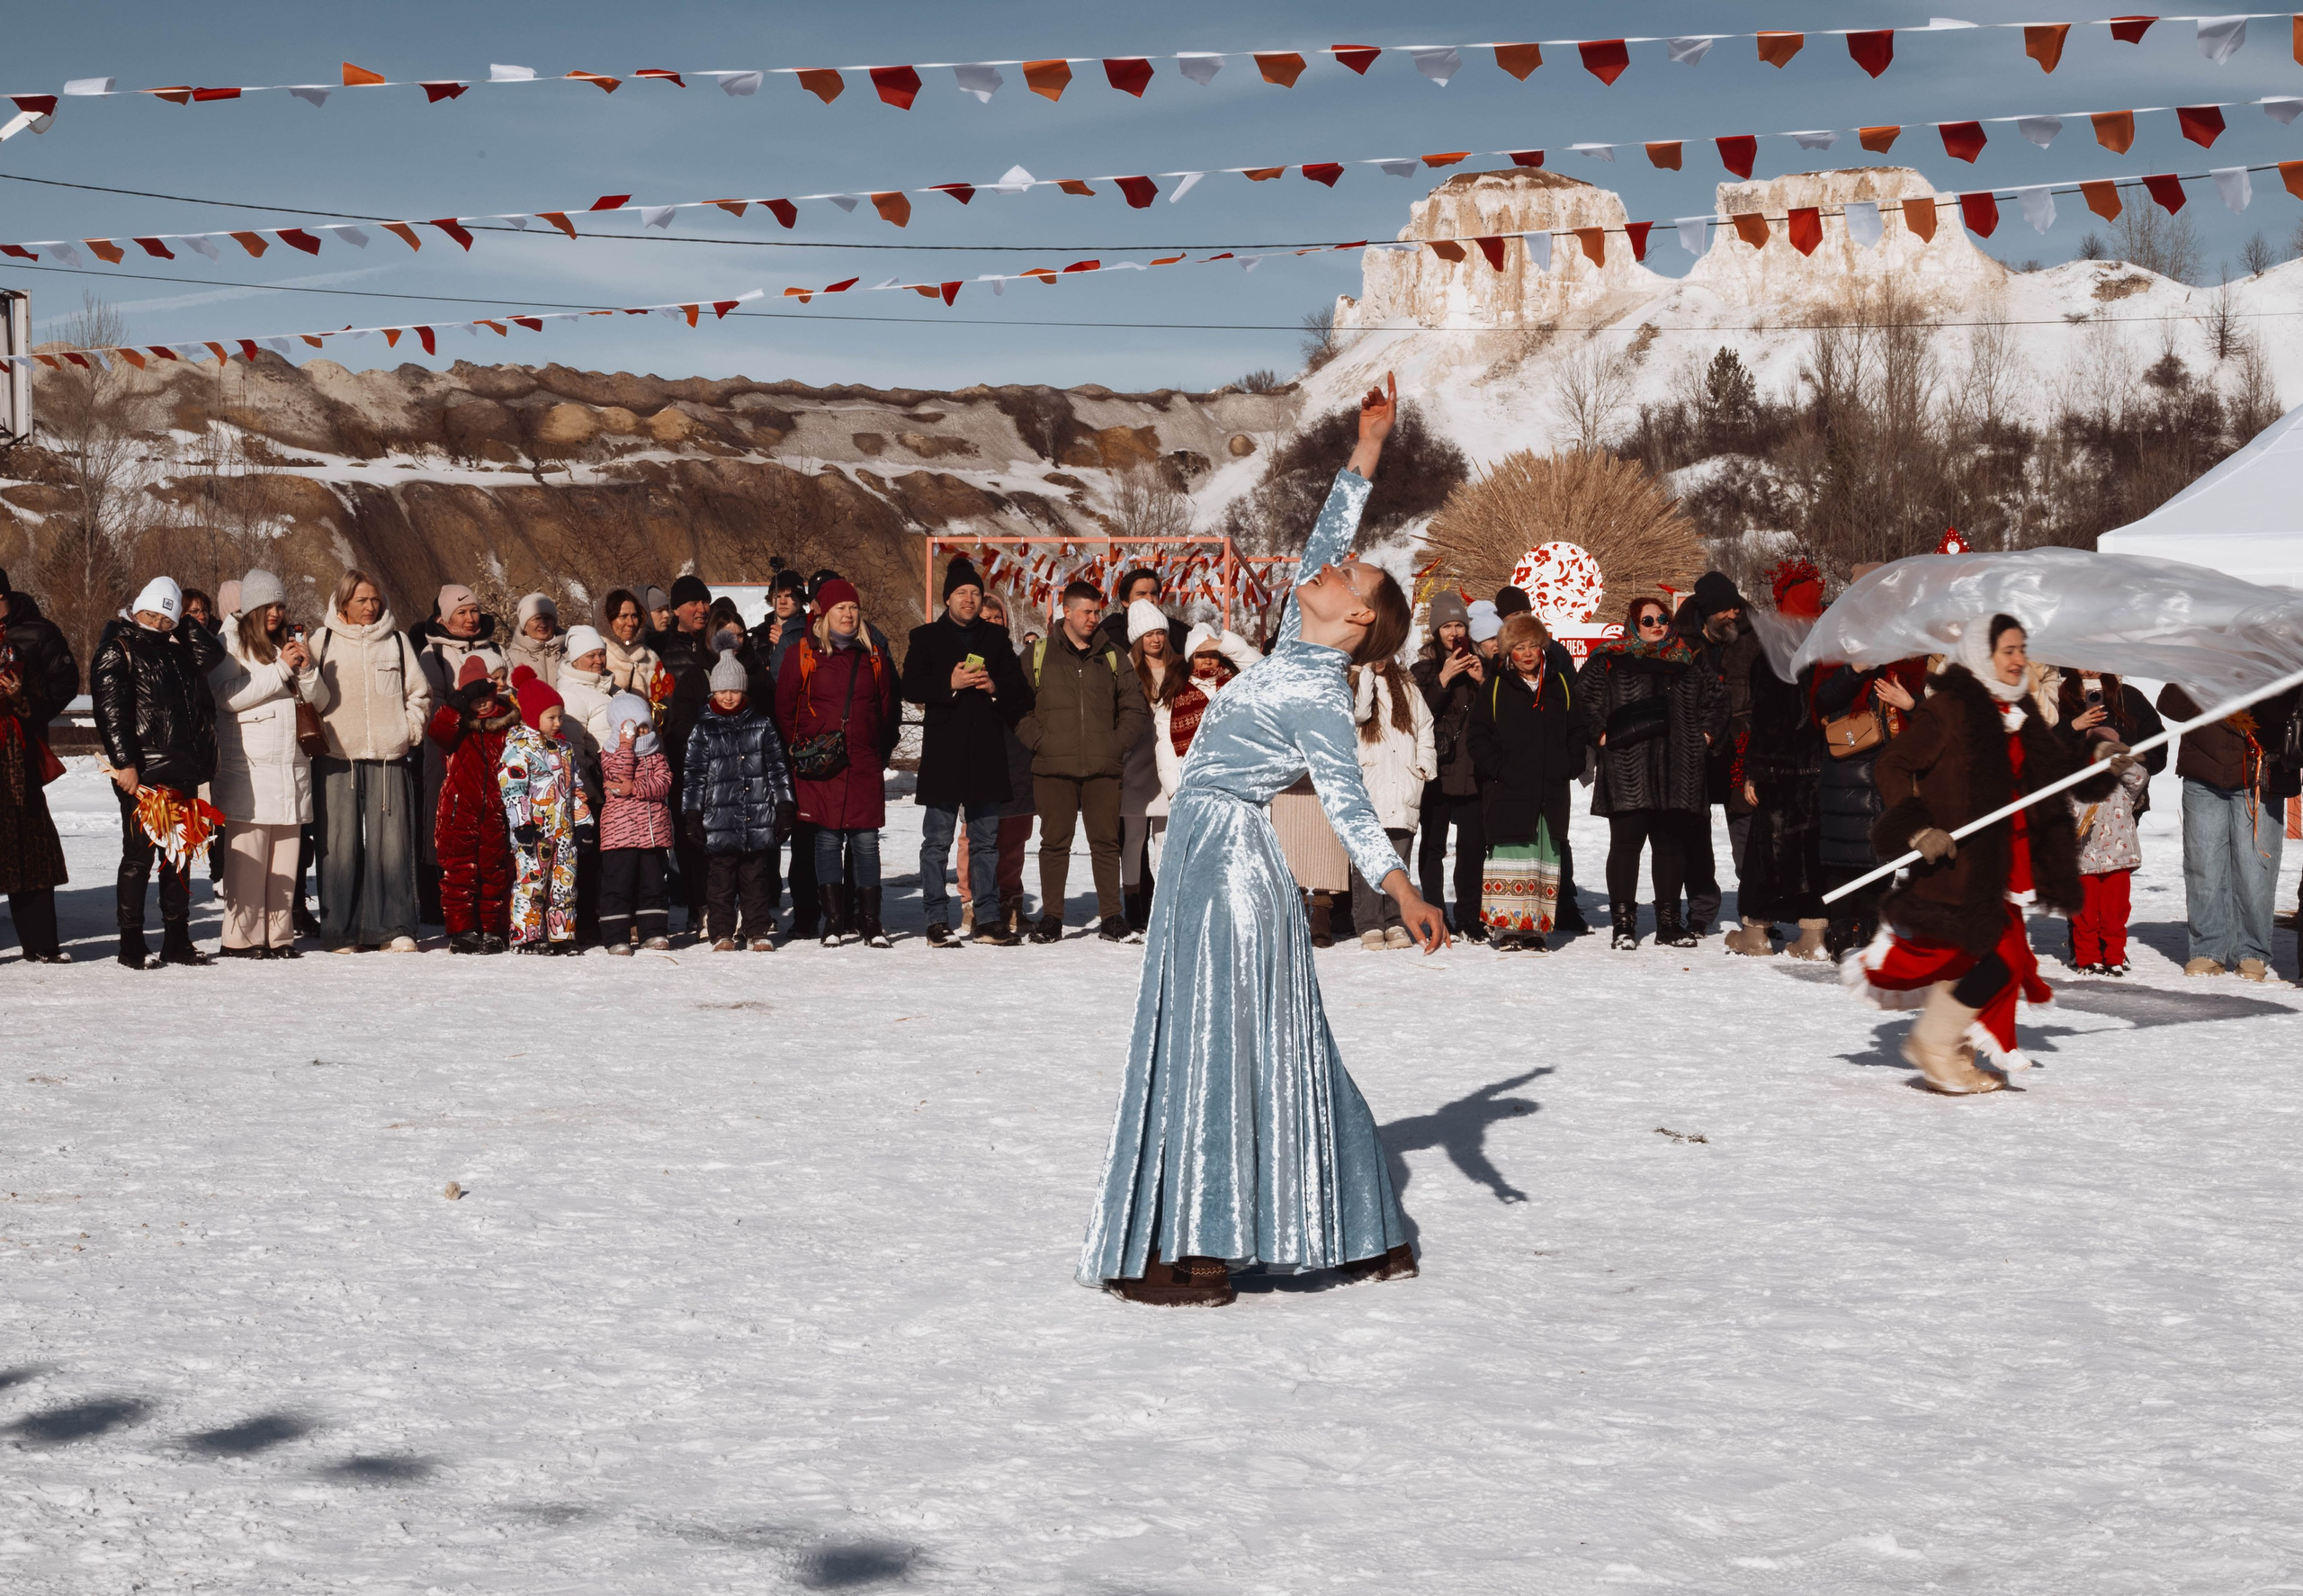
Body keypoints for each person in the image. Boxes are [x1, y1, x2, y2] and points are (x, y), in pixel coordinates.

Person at [1080, 372, 1445, 1307]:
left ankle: (1203, 1255)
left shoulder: (1320, 695)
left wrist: (1400, 888)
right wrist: (1367, 447)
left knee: (1224, 1044)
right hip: (1207, 851)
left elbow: (1350, 805)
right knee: (1284, 1043)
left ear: (1357, 618)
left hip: (1232, 864)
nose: (1331, 567)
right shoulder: (1292, 648)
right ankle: (1371, 1234)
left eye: (1350, 577)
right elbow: (1324, 540)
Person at [1856, 614, 2121, 1090]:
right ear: (1983, 654)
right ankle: (1934, 1044)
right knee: (1998, 958)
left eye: (2022, 650)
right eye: (2008, 651)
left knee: (1978, 955)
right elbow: (1892, 764)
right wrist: (1917, 829)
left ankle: (1951, 1053)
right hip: (1960, 856)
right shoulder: (1949, 708)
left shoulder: (2019, 708)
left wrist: (2096, 764)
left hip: (2008, 856)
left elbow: (2054, 773)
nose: (2020, 660)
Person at [1580, 595, 1726, 950]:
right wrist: (1601, 735)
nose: (1657, 625)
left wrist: (1705, 736)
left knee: (1671, 846)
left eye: (1663, 619)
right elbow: (1583, 700)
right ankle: (1623, 926)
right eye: (1648, 620)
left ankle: (1669, 925)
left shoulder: (1689, 658)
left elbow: (1718, 699)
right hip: (1628, 764)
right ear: (1634, 624)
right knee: (1626, 845)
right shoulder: (1610, 659)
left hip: (1679, 765)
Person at [92, 578, 224, 969]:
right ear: (137, 610)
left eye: (166, 620)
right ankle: (131, 942)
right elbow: (111, 713)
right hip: (143, 772)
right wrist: (125, 763)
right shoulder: (117, 649)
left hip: (182, 766)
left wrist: (183, 622)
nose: (157, 624)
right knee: (139, 858)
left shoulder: (176, 649)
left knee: (179, 855)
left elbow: (213, 655)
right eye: (151, 615)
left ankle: (177, 938)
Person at [902, 556, 1034, 947]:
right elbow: (910, 687)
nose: (969, 599)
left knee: (986, 842)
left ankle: (988, 918)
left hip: (986, 752)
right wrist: (950, 682)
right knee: (937, 842)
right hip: (944, 752)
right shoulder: (925, 636)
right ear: (948, 598)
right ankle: (936, 920)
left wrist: (994, 687)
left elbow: (1020, 692)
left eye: (975, 592)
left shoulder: (996, 639)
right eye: (962, 592)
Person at [1017, 579, 1149, 943]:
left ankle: (1112, 918)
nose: (1093, 618)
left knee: (1106, 844)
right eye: (1087, 612)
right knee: (1054, 844)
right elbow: (1017, 706)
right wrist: (1040, 742)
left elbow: (1134, 708)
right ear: (1067, 612)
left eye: (1097, 612)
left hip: (1103, 767)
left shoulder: (1113, 655)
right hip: (1052, 767)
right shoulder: (1037, 654)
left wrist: (1115, 744)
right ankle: (1051, 918)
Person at [308, 570, 429, 954]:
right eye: (361, 600)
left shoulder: (397, 640)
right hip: (336, 754)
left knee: (393, 844)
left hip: (388, 756)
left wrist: (409, 730)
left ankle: (395, 928)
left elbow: (419, 693)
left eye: (375, 599)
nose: (371, 606)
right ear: (343, 602)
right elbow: (307, 695)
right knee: (337, 845)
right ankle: (340, 932)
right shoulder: (322, 640)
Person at [775, 577, 897, 947]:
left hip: (863, 764)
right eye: (840, 608)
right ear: (823, 614)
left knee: (867, 843)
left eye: (853, 608)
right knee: (826, 841)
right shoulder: (803, 653)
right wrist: (803, 749)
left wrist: (876, 753)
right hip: (820, 765)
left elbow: (887, 713)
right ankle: (832, 922)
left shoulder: (874, 656)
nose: (848, 614)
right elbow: (785, 710)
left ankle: (871, 922)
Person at [207, 569, 323, 959]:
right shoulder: (230, 642)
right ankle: (240, 939)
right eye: (268, 606)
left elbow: (322, 701)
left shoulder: (286, 644)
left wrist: (306, 670)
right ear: (252, 607)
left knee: (286, 858)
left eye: (280, 605)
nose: (276, 613)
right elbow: (227, 696)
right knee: (249, 859)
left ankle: (279, 936)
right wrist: (281, 670)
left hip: (291, 765)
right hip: (251, 768)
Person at [2158, 677, 2300, 981]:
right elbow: (2170, 706)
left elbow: (2284, 711)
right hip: (2202, 772)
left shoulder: (2270, 663)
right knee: (2203, 865)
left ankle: (2252, 951)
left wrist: (2251, 678)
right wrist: (2196, 667)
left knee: (2256, 868)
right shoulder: (2205, 658)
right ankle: (2207, 950)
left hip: (2258, 773)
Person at [1728, 560, 1830, 960]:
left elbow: (1767, 721)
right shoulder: (1829, 651)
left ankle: (1756, 931)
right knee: (1811, 850)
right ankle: (1813, 936)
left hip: (1778, 770)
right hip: (1820, 768)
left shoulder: (1773, 655)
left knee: (1766, 850)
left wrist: (1753, 771)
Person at [1467, 611, 1585, 952]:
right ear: (1508, 652)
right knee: (1511, 855)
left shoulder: (1559, 685)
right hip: (1508, 791)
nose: (1528, 653)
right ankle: (1507, 929)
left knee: (1543, 859)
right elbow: (1477, 736)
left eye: (1533, 645)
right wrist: (1499, 768)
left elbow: (1578, 729)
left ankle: (1535, 929)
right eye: (1519, 647)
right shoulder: (1495, 687)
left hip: (1550, 792)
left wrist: (1569, 765)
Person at [2056, 669, 2165, 975]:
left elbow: (2155, 751)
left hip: (2120, 818)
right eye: (2080, 661)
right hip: (2079, 830)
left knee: (2114, 904)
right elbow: (2043, 750)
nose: (2088, 668)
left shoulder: (2128, 697)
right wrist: (2072, 728)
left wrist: (2123, 757)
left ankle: (2113, 952)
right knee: (2084, 900)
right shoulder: (2057, 695)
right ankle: (2084, 950)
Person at [690, 647, 796, 951]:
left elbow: (777, 769)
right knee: (721, 882)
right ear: (713, 692)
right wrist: (692, 814)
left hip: (757, 820)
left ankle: (757, 929)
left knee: (755, 879)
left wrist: (784, 806)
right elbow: (694, 775)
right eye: (722, 690)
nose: (728, 697)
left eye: (734, 690)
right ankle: (721, 931)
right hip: (718, 822)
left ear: (744, 691)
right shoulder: (704, 729)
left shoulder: (761, 725)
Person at [1671, 572, 1755, 938]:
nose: (1734, 614)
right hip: (1697, 744)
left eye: (1736, 607)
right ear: (1707, 612)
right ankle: (1701, 911)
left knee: (1748, 831)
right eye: (1726, 609)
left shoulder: (1753, 636)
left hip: (1743, 743)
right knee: (1694, 833)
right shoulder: (1679, 642)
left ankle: (1754, 911)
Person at [0, 571, 76, 963]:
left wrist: (25, 701)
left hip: (17, 751)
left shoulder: (37, 631)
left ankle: (40, 942)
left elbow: (65, 683)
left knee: (30, 843)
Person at [412, 583, 498, 922]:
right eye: (461, 612)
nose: (470, 618)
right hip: (448, 749)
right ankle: (440, 900)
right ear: (443, 619)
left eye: (474, 610)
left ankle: (488, 897)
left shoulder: (495, 648)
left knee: (491, 820)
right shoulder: (433, 654)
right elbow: (431, 701)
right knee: (444, 820)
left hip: (492, 747)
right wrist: (465, 715)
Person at [1151, 623, 1260, 877]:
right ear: (1191, 658)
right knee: (1197, 854)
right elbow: (1164, 739)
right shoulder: (1176, 689)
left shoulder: (1238, 682)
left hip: (1234, 778)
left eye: (1213, 654)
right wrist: (1174, 788)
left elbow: (1264, 670)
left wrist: (1227, 644)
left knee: (1232, 852)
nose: (1208, 660)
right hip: (1194, 782)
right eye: (1201, 655)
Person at [1349, 640, 1437, 949]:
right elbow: (1360, 713)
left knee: (1399, 856)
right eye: (1373, 653)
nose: (1380, 659)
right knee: (1367, 856)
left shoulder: (1409, 690)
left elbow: (1425, 728)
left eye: (1383, 652)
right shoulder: (1354, 685)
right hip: (1369, 781)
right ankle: (1369, 923)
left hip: (1403, 782)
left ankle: (1397, 920)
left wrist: (1423, 765)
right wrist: (1365, 673)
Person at [428, 652, 517, 955]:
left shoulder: (508, 722)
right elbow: (438, 733)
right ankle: (462, 930)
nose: (482, 703)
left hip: (497, 811)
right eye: (474, 697)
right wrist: (455, 704)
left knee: (496, 872)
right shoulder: (456, 726)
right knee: (459, 872)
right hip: (458, 811)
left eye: (486, 695)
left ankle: (494, 928)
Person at [1411, 591, 1487, 940]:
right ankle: (1436, 914)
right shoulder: (1423, 670)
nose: (1454, 632)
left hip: (1474, 771)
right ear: (1436, 631)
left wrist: (1482, 682)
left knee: (1472, 847)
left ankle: (1470, 916)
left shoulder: (1482, 664)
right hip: (1438, 771)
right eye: (1447, 626)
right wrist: (1442, 680)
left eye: (1459, 625)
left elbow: (1498, 714)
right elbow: (1416, 718)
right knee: (1433, 847)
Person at [498, 668, 591, 954]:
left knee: (565, 883)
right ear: (532, 715)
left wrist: (583, 821)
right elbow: (513, 790)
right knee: (532, 884)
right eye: (551, 717)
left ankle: (561, 935)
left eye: (560, 716)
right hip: (534, 833)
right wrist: (522, 825)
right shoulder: (519, 749)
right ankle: (526, 937)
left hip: (564, 831)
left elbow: (575, 786)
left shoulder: (563, 748)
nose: (558, 722)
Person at [652, 574, 717, 937]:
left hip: (718, 753)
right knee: (686, 833)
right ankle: (696, 905)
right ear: (676, 609)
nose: (702, 609)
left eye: (705, 602)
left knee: (716, 831)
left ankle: (718, 904)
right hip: (677, 753)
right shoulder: (660, 648)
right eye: (694, 603)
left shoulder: (716, 645)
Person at [979, 593, 1040, 941]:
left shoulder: (1021, 658)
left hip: (1017, 753)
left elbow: (1027, 700)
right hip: (979, 754)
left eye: (997, 618)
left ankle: (1011, 902)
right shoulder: (965, 656)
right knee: (978, 837)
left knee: (1016, 836)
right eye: (985, 618)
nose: (992, 624)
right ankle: (975, 903)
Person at [597, 692, 674, 953]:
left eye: (643, 726)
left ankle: (653, 932)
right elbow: (617, 779)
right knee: (618, 885)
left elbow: (664, 783)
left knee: (653, 884)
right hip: (620, 833)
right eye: (631, 727)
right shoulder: (609, 753)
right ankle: (616, 936)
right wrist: (625, 747)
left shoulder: (657, 754)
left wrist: (635, 788)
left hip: (654, 832)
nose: (640, 732)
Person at [1119, 598, 1177, 934]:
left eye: (1160, 633)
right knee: (1133, 839)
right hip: (1135, 762)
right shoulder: (1126, 669)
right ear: (1137, 639)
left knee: (1165, 841)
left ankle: (1164, 905)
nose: (1155, 639)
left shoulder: (1179, 668)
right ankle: (1133, 906)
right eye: (1148, 634)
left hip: (1169, 764)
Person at [555, 623, 614, 946]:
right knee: (589, 862)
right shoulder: (571, 695)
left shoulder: (608, 689)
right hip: (594, 795)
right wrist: (591, 793)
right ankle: (587, 922)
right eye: (591, 655)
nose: (598, 661)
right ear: (575, 659)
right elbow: (573, 753)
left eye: (601, 654)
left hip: (614, 791)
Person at [1099, 567, 1191, 658]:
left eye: (1154, 593)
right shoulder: (1108, 634)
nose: (1150, 599)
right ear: (1125, 601)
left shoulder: (1179, 633)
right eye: (1141, 594)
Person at [599, 588, 662, 700]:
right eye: (623, 616)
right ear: (607, 619)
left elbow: (664, 697)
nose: (631, 623)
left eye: (634, 616)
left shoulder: (650, 657)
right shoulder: (599, 657)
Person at [505, 592, 564, 686]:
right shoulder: (509, 658)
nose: (543, 625)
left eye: (547, 618)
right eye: (537, 619)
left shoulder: (571, 653)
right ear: (525, 625)